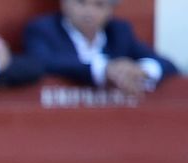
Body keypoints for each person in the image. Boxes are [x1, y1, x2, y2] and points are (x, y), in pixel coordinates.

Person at [23, 0, 177, 95]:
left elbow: (168, 64)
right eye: (81, 2)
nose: (88, 11)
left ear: (111, 9)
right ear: (64, 3)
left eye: (99, 4)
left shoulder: (119, 32)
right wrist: (103, 70)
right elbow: (42, 62)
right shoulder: (43, 30)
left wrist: (141, 70)